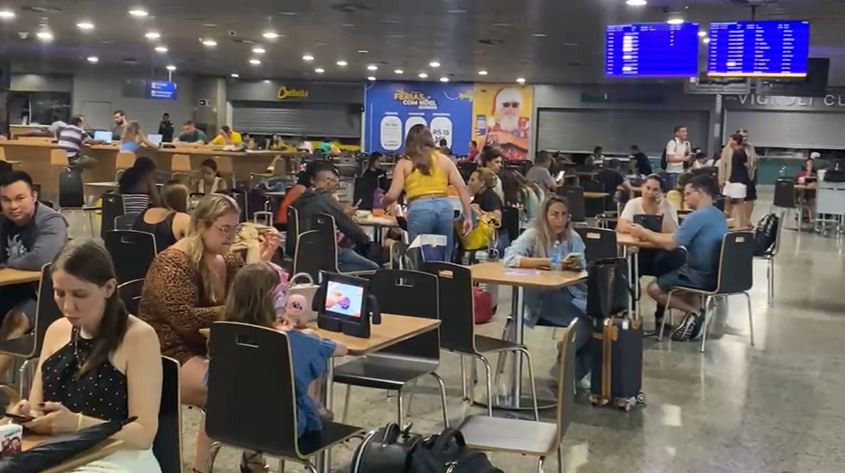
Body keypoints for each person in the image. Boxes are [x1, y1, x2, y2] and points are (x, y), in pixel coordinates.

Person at [9, 239, 163, 472]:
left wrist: (78, 424)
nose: (68, 306)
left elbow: (144, 434)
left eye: (80, 295)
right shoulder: (57, 331)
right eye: (59, 293)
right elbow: (36, 406)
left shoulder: (138, 337)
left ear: (109, 289)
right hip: (59, 454)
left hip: (117, 457)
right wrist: (27, 415)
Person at [139, 194, 268, 472]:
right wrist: (234, 308)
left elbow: (250, 299)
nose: (232, 236)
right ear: (200, 226)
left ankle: (251, 458)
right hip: (168, 354)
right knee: (227, 388)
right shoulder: (173, 262)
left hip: (210, 347)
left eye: (236, 228)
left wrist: (261, 262)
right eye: (224, 229)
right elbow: (186, 320)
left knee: (265, 377)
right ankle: (201, 467)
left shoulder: (229, 259)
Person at [222, 263, 347, 444]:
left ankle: (252, 457)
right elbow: (341, 349)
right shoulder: (295, 340)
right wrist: (309, 334)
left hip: (232, 425)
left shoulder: (225, 335)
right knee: (311, 367)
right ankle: (318, 407)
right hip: (286, 429)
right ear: (279, 299)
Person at [502, 195, 591, 386]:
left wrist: (578, 266)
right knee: (585, 325)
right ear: (545, 215)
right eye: (554, 215)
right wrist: (548, 262)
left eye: (564, 215)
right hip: (542, 298)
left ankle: (571, 370)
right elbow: (510, 259)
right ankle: (568, 371)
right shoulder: (533, 235)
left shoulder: (573, 237)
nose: (559, 220)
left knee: (603, 322)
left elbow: (584, 267)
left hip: (572, 293)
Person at [629, 175, 728, 342]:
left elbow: (671, 244)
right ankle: (695, 319)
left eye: (688, 193)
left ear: (700, 193)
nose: (685, 197)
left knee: (654, 289)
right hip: (717, 274)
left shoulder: (696, 217)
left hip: (700, 275)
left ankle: (695, 313)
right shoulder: (719, 215)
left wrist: (644, 232)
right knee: (675, 267)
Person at [0, 171, 68, 377]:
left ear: (34, 196)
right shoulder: (3, 222)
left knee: (15, 320)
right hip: (10, 290)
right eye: (6, 200)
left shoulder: (51, 221)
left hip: (43, 295)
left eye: (20, 198)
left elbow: (42, 259)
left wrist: (7, 263)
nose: (13, 206)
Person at [384, 124, 473, 261]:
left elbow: (393, 194)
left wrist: (384, 201)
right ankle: (442, 281)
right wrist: (468, 217)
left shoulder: (405, 163)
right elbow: (462, 188)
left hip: (420, 208)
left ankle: (423, 281)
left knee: (419, 259)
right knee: (443, 260)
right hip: (444, 207)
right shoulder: (444, 160)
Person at [617, 174, 684, 329]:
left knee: (669, 264)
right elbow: (622, 225)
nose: (650, 193)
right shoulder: (633, 204)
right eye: (647, 188)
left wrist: (662, 210)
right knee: (627, 268)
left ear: (661, 192)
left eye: (655, 190)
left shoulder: (668, 206)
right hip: (640, 252)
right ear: (642, 187)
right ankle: (631, 311)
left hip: (661, 253)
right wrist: (641, 231)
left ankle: (661, 314)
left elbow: (672, 233)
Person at [292, 162, 380, 272]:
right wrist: (366, 241)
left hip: (302, 255)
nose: (331, 184)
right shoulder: (324, 199)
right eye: (328, 180)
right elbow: (351, 229)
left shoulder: (299, 200)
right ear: (312, 180)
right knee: (374, 267)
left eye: (333, 180)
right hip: (328, 257)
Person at [132, 181, 191, 252]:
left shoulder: (145, 212)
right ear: (182, 199)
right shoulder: (183, 218)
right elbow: (195, 248)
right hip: (167, 262)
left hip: (136, 261)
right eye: (188, 198)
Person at [484, 87, 530, 161]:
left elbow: (532, 145)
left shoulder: (526, 123)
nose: (510, 109)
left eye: (515, 105)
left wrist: (511, 138)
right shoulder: (492, 125)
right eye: (506, 105)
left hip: (522, 165)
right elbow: (483, 149)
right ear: (499, 106)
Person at [722, 133, 752, 229]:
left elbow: (746, 165)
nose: (729, 142)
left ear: (735, 141)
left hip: (738, 180)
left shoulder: (739, 152)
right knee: (730, 201)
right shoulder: (735, 151)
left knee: (739, 203)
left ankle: (740, 224)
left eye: (731, 140)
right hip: (733, 180)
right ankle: (734, 223)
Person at [664, 125, 691, 190]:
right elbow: (670, 158)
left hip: (683, 171)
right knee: (673, 192)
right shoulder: (672, 143)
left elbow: (688, 156)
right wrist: (684, 159)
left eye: (686, 131)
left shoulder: (687, 143)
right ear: (677, 133)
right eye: (683, 131)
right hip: (672, 172)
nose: (685, 133)